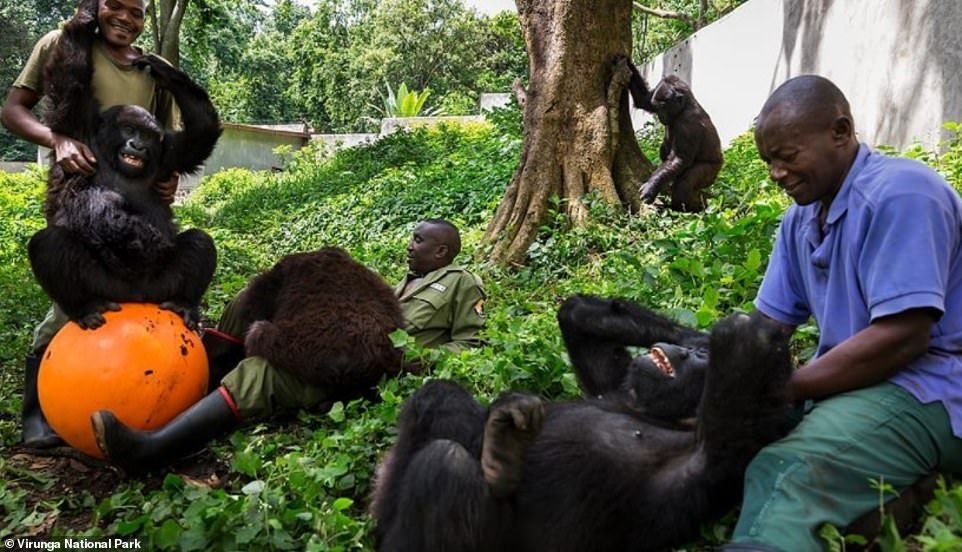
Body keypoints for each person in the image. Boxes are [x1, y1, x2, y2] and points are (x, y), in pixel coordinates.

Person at [722, 75, 962, 551]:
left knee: (784, 471)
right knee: (726, 446)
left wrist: (780, 389)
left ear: (840, 131)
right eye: (768, 161)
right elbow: (766, 329)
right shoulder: (799, 220)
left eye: (787, 157)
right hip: (858, 386)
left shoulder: (903, 192)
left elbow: (903, 337)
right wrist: (721, 387)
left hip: (931, 387)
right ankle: (889, 501)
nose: (776, 173)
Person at [90, 219, 486, 469]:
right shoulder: (399, 283)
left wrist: (412, 361)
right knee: (247, 303)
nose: (410, 245)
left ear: (442, 251)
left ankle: (151, 450)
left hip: (371, 374)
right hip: (341, 349)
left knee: (261, 373)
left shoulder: (461, 282)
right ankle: (191, 382)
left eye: (419, 241)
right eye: (412, 238)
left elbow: (471, 343)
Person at [1, 0, 182, 449]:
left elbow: (164, 137)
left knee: (138, 290)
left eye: (137, 12)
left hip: (135, 201)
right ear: (96, 5)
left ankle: (132, 393)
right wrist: (57, 139)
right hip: (78, 191)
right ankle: (38, 413)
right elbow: (13, 109)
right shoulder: (61, 45)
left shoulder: (152, 69)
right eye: (115, 6)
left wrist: (169, 173)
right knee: (75, 289)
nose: (126, 18)